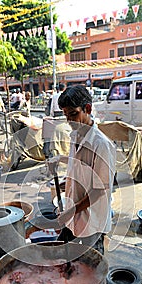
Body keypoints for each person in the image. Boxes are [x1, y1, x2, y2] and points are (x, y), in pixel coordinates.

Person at [47, 85, 116, 254]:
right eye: (66, 115)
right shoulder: (75, 135)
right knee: (65, 257)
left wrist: (71, 211)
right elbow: (78, 169)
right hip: (74, 215)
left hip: (92, 219)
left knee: (92, 265)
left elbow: (100, 190)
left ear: (88, 109)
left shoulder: (101, 145)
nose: (69, 121)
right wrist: (62, 167)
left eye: (73, 114)